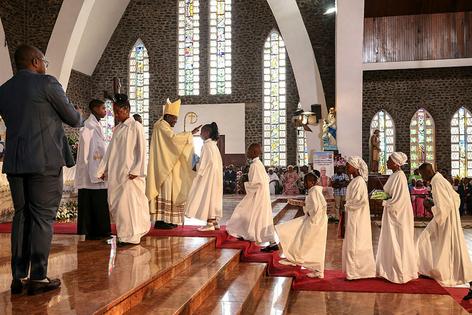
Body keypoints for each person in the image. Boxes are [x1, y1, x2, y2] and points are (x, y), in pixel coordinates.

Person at [0, 44, 82, 295]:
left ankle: (17, 276)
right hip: (44, 163)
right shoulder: (47, 83)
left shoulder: (3, 90)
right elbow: (73, 118)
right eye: (44, 61)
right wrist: (77, 111)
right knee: (43, 218)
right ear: (35, 61)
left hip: (15, 162)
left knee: (22, 216)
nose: (46, 65)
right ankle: (38, 276)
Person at [97, 94, 150, 246]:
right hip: (117, 173)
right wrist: (103, 169)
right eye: (115, 112)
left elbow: (141, 149)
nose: (116, 115)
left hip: (130, 174)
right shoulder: (118, 128)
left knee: (129, 206)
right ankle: (123, 234)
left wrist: (137, 169)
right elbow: (110, 151)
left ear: (126, 110)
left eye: (118, 112)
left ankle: (131, 236)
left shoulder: (136, 126)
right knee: (117, 205)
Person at [146, 98, 200, 229]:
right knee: (165, 190)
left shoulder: (163, 126)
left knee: (172, 191)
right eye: (174, 118)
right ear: (168, 116)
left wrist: (188, 135)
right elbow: (173, 140)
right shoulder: (161, 126)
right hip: (164, 167)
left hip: (168, 164)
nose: (176, 121)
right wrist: (189, 134)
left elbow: (174, 141)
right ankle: (160, 221)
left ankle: (168, 219)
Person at [416, 163, 472, 290]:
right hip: (447, 218)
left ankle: (432, 271)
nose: (422, 177)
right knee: (441, 245)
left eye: (422, 174)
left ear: (429, 171)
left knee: (426, 241)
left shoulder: (437, 182)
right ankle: (430, 271)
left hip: (445, 220)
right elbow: (456, 199)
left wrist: (429, 206)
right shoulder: (440, 179)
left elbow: (444, 206)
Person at [226, 143, 278, 252]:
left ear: (254, 152)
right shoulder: (259, 164)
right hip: (261, 195)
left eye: (248, 150)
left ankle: (266, 239)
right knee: (256, 216)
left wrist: (245, 185)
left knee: (243, 211)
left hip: (257, 195)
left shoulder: (255, 165)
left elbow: (255, 183)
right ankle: (268, 240)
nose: (246, 152)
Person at [376, 152, 418, 284]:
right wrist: (378, 195)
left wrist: (382, 200)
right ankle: (389, 269)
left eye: (389, 160)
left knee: (398, 240)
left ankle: (400, 272)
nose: (387, 162)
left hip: (398, 215)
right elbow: (389, 194)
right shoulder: (394, 175)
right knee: (391, 240)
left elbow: (398, 200)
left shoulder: (400, 176)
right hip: (392, 213)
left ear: (395, 163)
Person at [276, 171, 327, 278]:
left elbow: (317, 209)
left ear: (312, 182)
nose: (304, 183)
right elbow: (313, 205)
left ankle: (300, 260)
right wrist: (297, 203)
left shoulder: (314, 192)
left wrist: (309, 213)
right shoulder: (314, 191)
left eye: (306, 181)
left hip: (315, 222)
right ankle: (316, 268)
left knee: (308, 243)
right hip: (316, 220)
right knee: (309, 242)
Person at [75, 99, 111, 240]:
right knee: (95, 202)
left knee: (98, 201)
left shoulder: (95, 125)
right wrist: (98, 172)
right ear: (95, 109)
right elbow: (91, 153)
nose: (105, 111)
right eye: (103, 108)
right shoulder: (89, 126)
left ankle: (99, 230)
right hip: (93, 172)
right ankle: (96, 231)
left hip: (96, 171)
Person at [185, 122, 223, 231]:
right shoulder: (214, 145)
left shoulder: (206, 145)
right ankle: (215, 221)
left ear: (206, 133)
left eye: (201, 132)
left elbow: (202, 165)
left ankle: (209, 223)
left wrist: (194, 163)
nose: (200, 134)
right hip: (215, 177)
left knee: (208, 196)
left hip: (209, 177)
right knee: (214, 197)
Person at [342, 157, 376, 280]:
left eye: (349, 165)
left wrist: (346, 204)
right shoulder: (355, 180)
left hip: (357, 217)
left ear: (356, 167)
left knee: (355, 242)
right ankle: (354, 271)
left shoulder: (359, 181)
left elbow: (359, 202)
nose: (347, 167)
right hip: (353, 215)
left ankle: (356, 271)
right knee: (353, 241)